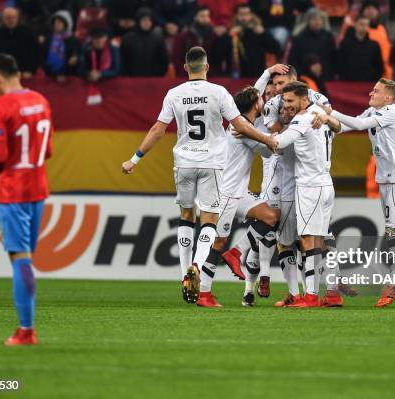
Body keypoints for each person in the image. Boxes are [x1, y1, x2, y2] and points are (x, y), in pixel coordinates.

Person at [120, 47, 277, 306]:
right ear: (207, 67)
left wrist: (134, 158)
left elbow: (158, 129)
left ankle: (185, 274)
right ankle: (196, 264)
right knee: (209, 221)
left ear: (185, 68)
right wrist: (266, 138)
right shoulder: (218, 92)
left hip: (183, 162)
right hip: (211, 165)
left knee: (186, 215)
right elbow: (239, 125)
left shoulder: (174, 94)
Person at [313, 78, 395, 307]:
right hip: (387, 180)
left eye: (376, 91)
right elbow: (348, 126)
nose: (370, 93)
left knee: (392, 233)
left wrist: (330, 113)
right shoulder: (372, 110)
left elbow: (358, 126)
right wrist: (328, 122)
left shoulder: (391, 113)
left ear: (388, 97)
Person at [0, 53, 54, 345]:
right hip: (38, 188)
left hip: (13, 191)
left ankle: (26, 330)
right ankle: (26, 328)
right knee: (26, 257)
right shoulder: (41, 100)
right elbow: (47, 150)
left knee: (19, 259)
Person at [202, 85, 279, 308]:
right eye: (261, 98)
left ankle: (236, 252)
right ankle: (204, 293)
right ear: (256, 104)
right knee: (218, 242)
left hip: (239, 192)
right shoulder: (242, 127)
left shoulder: (245, 126)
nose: (264, 99)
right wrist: (276, 135)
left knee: (271, 217)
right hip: (226, 192)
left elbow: (263, 146)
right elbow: (267, 150)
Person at [272, 81, 335, 308]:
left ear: (304, 100)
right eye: (284, 101)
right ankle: (330, 293)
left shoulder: (303, 117)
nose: (287, 105)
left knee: (308, 239)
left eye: (290, 101)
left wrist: (251, 134)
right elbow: (339, 125)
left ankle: (310, 296)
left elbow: (280, 141)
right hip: (326, 183)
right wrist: (330, 118)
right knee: (318, 239)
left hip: (310, 185)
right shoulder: (319, 112)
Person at [0, 6, 39, 78]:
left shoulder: (28, 33)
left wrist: (30, 70)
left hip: (22, 75)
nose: (11, 20)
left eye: (14, 17)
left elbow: (34, 54)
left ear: (18, 18)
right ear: (2, 18)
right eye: (8, 17)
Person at [171, 6, 230, 77]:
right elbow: (177, 59)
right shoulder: (184, 36)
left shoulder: (214, 35)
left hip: (211, 77)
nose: (206, 19)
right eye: (202, 16)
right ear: (195, 17)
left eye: (207, 16)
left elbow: (218, 60)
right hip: (188, 76)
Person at [230, 4, 281, 78]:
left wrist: (263, 34)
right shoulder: (232, 31)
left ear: (251, 15)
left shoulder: (259, 31)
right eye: (241, 14)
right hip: (236, 75)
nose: (244, 17)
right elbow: (218, 55)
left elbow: (276, 49)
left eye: (246, 14)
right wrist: (229, 37)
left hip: (258, 74)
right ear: (236, 16)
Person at [288, 8, 337, 80]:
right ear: (308, 21)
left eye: (319, 19)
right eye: (314, 19)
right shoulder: (299, 38)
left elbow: (333, 57)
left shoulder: (328, 37)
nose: (317, 22)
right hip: (305, 77)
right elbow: (293, 60)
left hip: (326, 76)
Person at [120, 7, 169, 77]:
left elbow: (163, 61)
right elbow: (124, 61)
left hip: (154, 79)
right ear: (138, 21)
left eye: (149, 20)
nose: (147, 22)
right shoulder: (128, 38)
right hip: (132, 79)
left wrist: (158, 76)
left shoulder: (158, 38)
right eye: (144, 20)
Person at [337, 15, 384, 82]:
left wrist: (374, 79)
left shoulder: (374, 45)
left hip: (369, 83)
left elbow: (379, 66)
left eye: (367, 25)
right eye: (361, 24)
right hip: (348, 83)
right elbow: (340, 62)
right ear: (355, 25)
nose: (364, 27)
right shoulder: (345, 44)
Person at [41, 10, 81, 81]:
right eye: (55, 22)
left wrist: (75, 60)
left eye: (60, 22)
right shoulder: (48, 38)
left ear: (67, 24)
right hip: (48, 76)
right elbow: (42, 57)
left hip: (67, 78)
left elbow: (77, 60)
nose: (56, 24)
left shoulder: (74, 41)